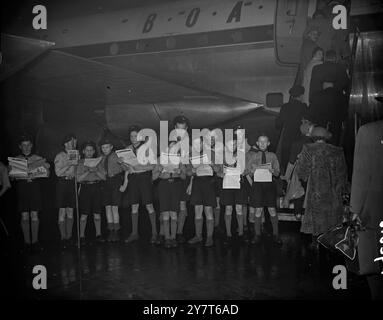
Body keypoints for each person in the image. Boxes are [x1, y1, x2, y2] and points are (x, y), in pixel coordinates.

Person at [295, 127, 348, 245]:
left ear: (313, 137)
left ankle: (317, 244)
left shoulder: (308, 148)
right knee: (332, 218)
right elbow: (343, 174)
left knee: (317, 219)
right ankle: (332, 244)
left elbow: (302, 172)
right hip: (334, 192)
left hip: (316, 191)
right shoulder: (337, 151)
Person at [350, 118, 383, 300]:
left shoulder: (368, 132)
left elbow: (361, 175)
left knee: (375, 264)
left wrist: (355, 209)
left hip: (375, 211)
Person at [12, 135, 50, 251]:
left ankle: (35, 241)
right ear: (20, 146)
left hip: (35, 188)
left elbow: (47, 174)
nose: (26, 147)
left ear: (32, 145)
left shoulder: (38, 158)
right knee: (24, 216)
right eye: (24, 145)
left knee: (34, 214)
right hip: (22, 189)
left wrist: (39, 169)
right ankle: (27, 242)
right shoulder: (16, 159)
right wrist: (18, 174)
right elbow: (12, 177)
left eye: (28, 145)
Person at [124, 125, 158, 244]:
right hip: (133, 179)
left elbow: (153, 165)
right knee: (134, 206)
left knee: (149, 205)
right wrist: (122, 163)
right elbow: (126, 167)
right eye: (131, 136)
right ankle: (134, 233)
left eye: (136, 136)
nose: (133, 138)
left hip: (144, 178)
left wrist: (140, 166)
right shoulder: (127, 149)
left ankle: (154, 233)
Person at [245, 135, 282, 245]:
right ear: (257, 143)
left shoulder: (273, 156)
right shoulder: (253, 156)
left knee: (272, 210)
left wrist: (272, 170)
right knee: (258, 210)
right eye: (260, 142)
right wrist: (252, 170)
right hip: (257, 186)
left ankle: (276, 234)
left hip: (269, 186)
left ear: (268, 143)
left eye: (264, 142)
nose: (262, 144)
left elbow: (278, 172)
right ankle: (257, 235)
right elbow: (247, 172)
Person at [152, 141, 187, 248]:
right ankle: (167, 238)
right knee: (165, 212)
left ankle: (173, 238)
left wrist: (180, 172)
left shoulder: (180, 160)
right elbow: (153, 177)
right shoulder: (160, 159)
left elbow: (184, 177)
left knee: (174, 213)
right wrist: (159, 170)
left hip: (176, 186)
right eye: (171, 147)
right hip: (163, 185)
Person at [188, 136, 219, 247]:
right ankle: (198, 236)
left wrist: (212, 164)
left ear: (203, 143)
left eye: (199, 143)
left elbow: (218, 170)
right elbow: (189, 172)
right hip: (197, 182)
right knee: (197, 210)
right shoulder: (192, 155)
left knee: (208, 210)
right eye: (195, 144)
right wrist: (192, 171)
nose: (197, 146)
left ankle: (209, 237)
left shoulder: (211, 153)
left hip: (208, 182)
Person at [216, 138, 246, 244]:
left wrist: (241, 169)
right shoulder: (222, 156)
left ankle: (241, 234)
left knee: (239, 209)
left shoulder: (241, 155)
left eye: (234, 144)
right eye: (230, 144)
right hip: (227, 184)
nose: (232, 146)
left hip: (238, 184)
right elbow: (217, 171)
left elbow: (245, 170)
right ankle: (228, 234)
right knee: (228, 209)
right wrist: (221, 173)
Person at [76, 141, 106, 245]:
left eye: (91, 150)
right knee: (84, 214)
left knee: (97, 213)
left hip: (96, 187)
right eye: (87, 150)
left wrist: (96, 170)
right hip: (85, 188)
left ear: (94, 151)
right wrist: (88, 171)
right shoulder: (80, 162)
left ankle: (98, 234)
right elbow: (78, 179)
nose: (89, 152)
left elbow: (104, 177)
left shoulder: (99, 161)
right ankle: (82, 236)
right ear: (83, 151)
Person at [275, 85, 308, 174]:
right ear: (301, 95)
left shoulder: (285, 107)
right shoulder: (303, 107)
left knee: (285, 158)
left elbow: (278, 124)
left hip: (287, 136)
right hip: (299, 137)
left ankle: (284, 178)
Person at [308, 80, 348, 145]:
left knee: (319, 147)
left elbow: (311, 113)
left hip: (320, 127)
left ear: (325, 84)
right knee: (333, 147)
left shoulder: (317, 95)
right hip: (335, 127)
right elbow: (345, 113)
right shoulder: (342, 96)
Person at [99, 137, 124, 242]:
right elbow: (99, 170)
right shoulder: (100, 158)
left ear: (111, 147)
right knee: (107, 207)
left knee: (114, 208)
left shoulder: (117, 155)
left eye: (107, 147)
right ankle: (110, 231)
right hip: (105, 183)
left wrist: (122, 162)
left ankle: (116, 231)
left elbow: (125, 168)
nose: (105, 149)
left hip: (115, 181)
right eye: (103, 147)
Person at [54, 133, 77, 249]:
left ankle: (69, 237)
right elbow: (58, 173)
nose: (71, 144)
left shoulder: (75, 154)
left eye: (73, 142)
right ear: (64, 144)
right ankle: (63, 237)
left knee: (70, 210)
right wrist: (69, 163)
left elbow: (76, 171)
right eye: (69, 142)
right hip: (62, 183)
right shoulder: (60, 156)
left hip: (71, 183)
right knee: (62, 210)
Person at [172, 115, 191, 243]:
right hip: (172, 178)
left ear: (187, 129)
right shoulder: (169, 143)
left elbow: (194, 166)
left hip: (184, 178)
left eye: (183, 129)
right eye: (178, 129)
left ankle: (179, 232)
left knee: (183, 204)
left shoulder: (191, 145)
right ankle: (167, 233)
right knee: (171, 206)